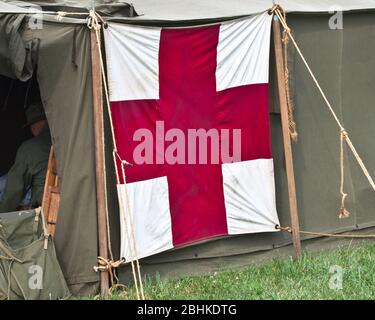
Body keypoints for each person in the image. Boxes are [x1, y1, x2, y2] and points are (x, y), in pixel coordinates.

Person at [0, 103, 51, 212]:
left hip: (40, 210)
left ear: (33, 127)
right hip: (63, 206)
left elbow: (14, 190)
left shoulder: (30, 148)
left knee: (4, 183)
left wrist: (2, 215)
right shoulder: (66, 143)